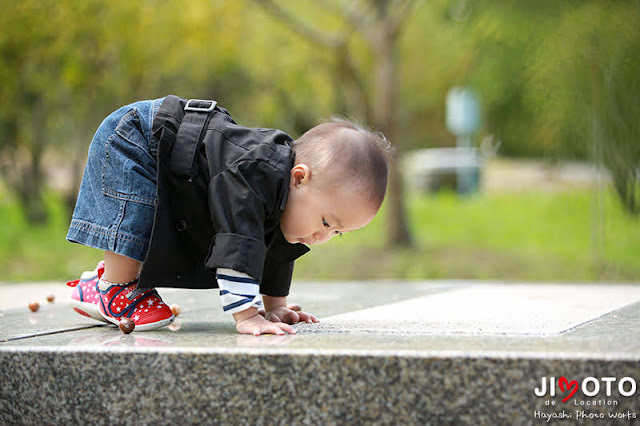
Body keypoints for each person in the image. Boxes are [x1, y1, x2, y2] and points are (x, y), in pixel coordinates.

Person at [66, 95, 394, 335]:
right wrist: (248, 315)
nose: (323, 237)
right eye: (326, 222)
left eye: (337, 233)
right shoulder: (253, 176)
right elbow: (240, 242)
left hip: (176, 164)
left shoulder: (290, 200)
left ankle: (97, 284)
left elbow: (277, 251)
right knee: (137, 218)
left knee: (283, 234)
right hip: (140, 137)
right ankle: (115, 285)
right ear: (298, 177)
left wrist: (275, 305)